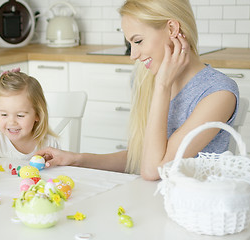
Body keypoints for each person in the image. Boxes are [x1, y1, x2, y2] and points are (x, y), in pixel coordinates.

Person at [36, 0, 239, 181]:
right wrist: (77, 159)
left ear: (172, 29)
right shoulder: (144, 80)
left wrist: (162, 87)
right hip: (153, 203)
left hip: (195, 213)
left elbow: (154, 171)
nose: (133, 55)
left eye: (138, 41)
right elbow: (142, 158)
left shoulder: (218, 94)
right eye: (130, 43)